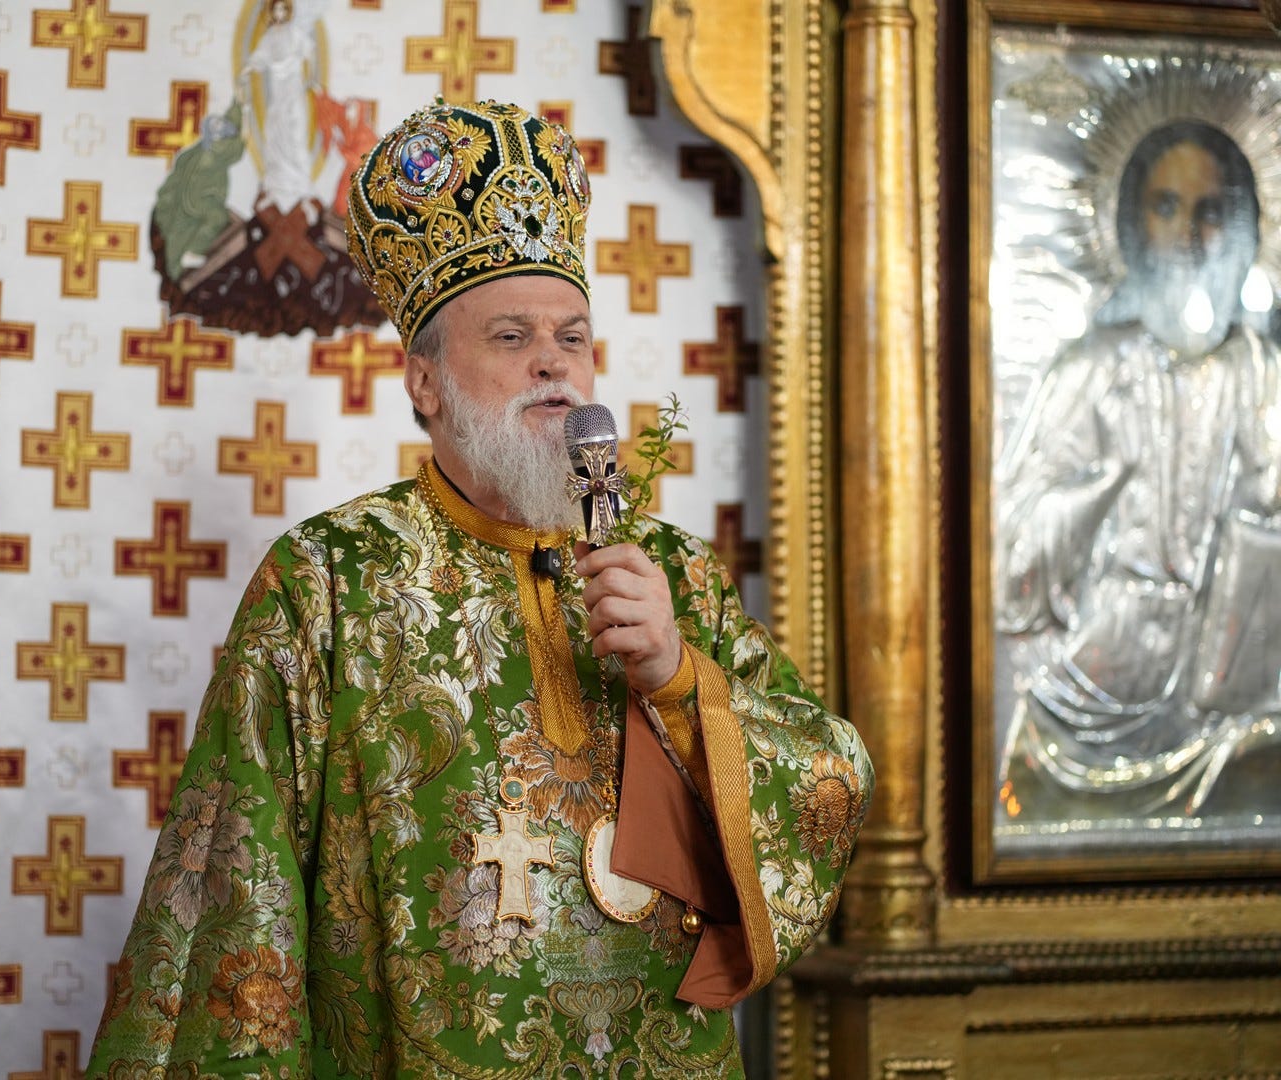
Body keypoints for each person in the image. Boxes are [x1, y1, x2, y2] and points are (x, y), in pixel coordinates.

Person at [85, 99, 873, 1077]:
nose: (553, 362)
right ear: (424, 382)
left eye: (573, 337)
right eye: (509, 336)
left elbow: (829, 785)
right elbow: (236, 895)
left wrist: (679, 682)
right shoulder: (327, 584)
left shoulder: (673, 574)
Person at [995, 119, 1281, 835]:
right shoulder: (1090, 373)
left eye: (1211, 211)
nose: (1190, 234)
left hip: (1237, 701)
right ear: (1131, 225)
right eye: (1167, 207)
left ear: (1242, 230)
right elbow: (1012, 560)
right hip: (1097, 690)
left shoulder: (1265, 375)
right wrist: (1097, 490)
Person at [237, 0, 319, 219]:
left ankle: (302, 192)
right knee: (275, 136)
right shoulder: (270, 36)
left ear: (288, 11)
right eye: (276, 9)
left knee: (295, 138)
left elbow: (310, 51)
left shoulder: (294, 33)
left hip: (293, 94)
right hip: (278, 95)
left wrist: (312, 78)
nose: (280, 13)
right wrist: (246, 70)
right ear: (272, 12)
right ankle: (275, 188)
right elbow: (259, 58)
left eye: (283, 9)